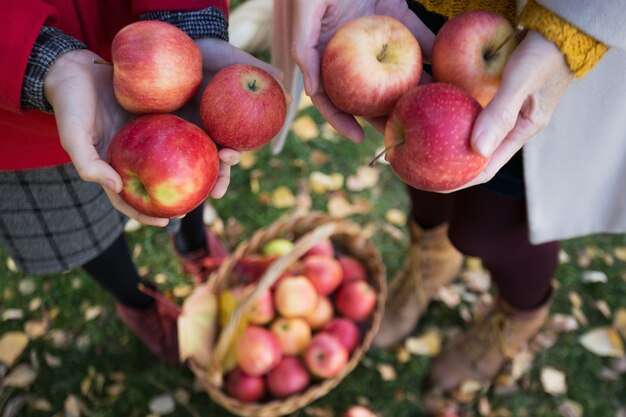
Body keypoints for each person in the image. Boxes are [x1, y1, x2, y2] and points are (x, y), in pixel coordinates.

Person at [290, 0, 626, 397]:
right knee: (417, 162)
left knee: (487, 231)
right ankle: (432, 261)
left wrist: (568, 34)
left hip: (541, 34)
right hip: (422, 14)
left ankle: (521, 315)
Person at [0, 0, 284, 366]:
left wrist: (186, 20)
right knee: (81, 230)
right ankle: (136, 301)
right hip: (16, 121)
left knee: (193, 176)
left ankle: (194, 246)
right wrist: (34, 59)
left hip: (151, 47)